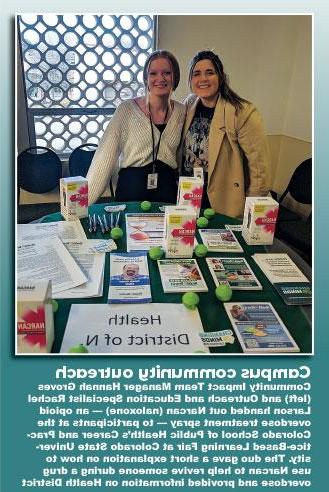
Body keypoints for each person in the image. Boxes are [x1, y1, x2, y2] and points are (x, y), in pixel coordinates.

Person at [87, 50, 185, 204]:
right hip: (132, 191)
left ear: (175, 77)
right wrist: (81, 206)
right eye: (153, 73)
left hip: (167, 194)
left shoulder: (181, 111)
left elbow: (181, 156)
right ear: (146, 79)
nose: (160, 78)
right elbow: (104, 158)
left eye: (167, 72)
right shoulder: (126, 110)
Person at [181, 50, 270, 217]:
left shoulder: (242, 112)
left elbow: (259, 170)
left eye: (210, 73)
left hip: (222, 201)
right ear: (191, 80)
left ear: (220, 77)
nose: (203, 79)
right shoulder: (189, 104)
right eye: (196, 74)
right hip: (189, 196)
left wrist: (251, 213)